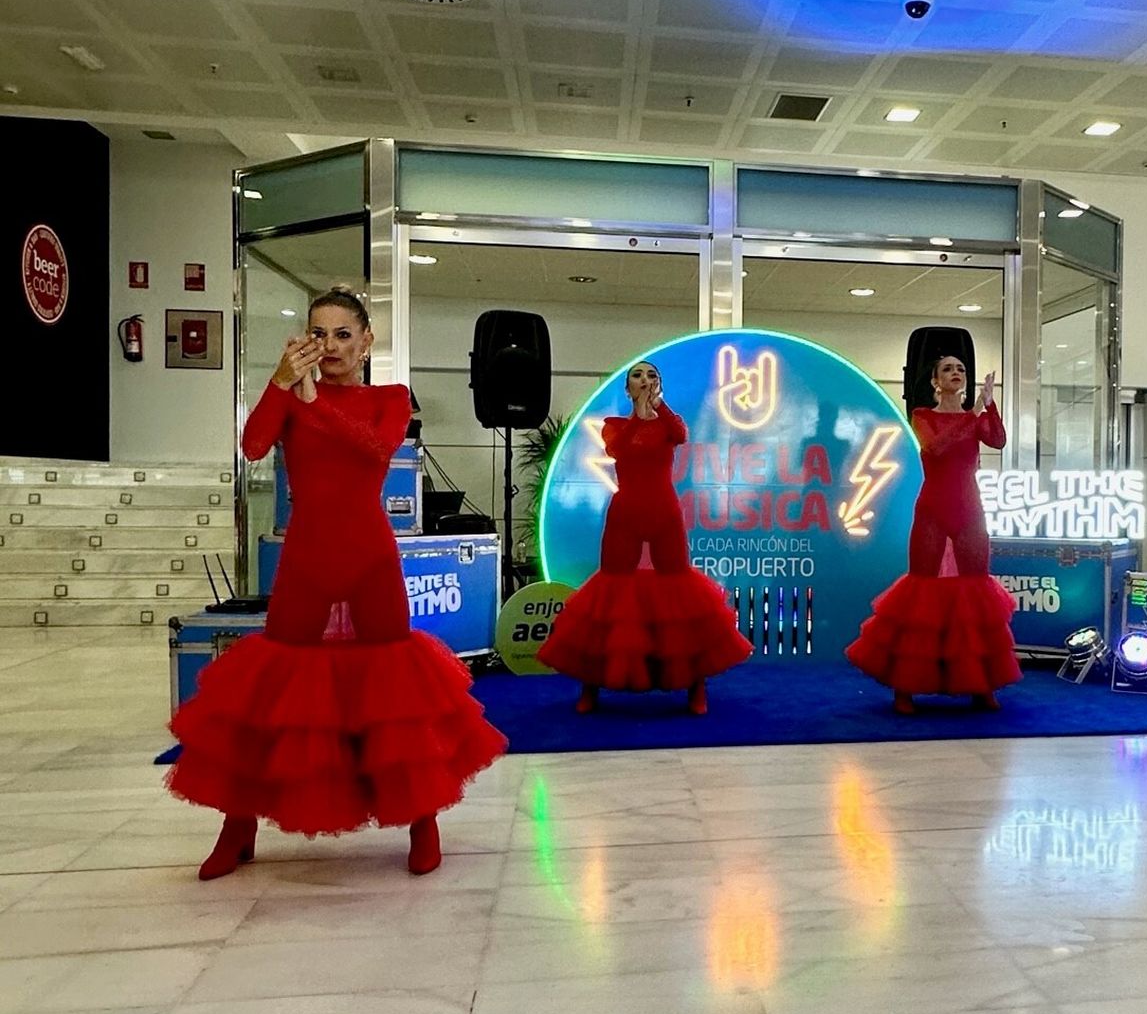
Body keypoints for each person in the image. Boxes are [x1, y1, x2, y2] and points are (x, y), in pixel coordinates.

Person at [168, 286, 506, 879]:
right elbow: (251, 445)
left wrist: (311, 400)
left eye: (342, 334)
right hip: (306, 561)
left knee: (396, 700)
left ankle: (422, 823)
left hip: (371, 560)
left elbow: (376, 450)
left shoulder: (390, 397)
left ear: (366, 340)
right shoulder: (289, 395)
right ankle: (237, 828)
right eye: (318, 334)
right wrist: (280, 386)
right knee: (271, 700)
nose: (329, 346)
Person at [538, 360, 752, 713]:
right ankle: (590, 688)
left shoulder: (671, 423)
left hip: (665, 513)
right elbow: (618, 449)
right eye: (637, 375)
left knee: (679, 591)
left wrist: (658, 406)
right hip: (626, 514)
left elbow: (680, 435)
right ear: (627, 388)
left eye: (652, 375)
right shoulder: (615, 426)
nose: (645, 380)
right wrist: (639, 412)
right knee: (612, 589)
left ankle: (695, 688)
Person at [846, 356, 1021, 714]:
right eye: (948, 370)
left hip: (970, 509)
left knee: (975, 589)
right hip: (933, 510)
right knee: (922, 590)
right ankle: (905, 688)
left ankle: (982, 685)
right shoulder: (923, 415)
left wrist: (989, 405)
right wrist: (972, 413)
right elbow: (936, 448)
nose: (956, 374)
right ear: (935, 382)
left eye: (961, 370)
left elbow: (998, 440)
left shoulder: (975, 417)